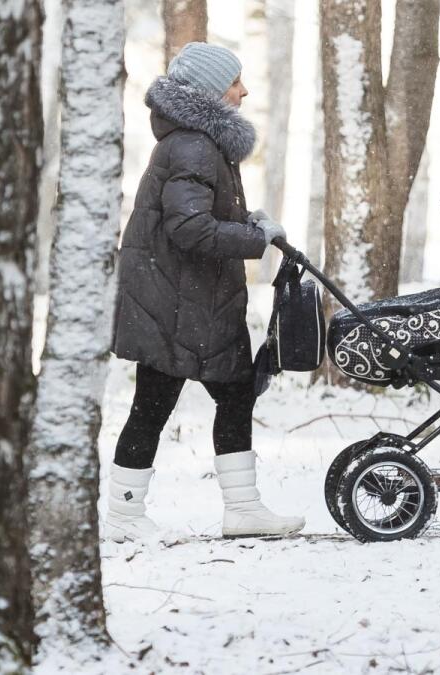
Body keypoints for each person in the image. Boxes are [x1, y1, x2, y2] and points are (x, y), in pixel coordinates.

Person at [109, 42, 304, 542]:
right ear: (212, 92)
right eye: (235, 81)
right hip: (174, 301)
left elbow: (199, 215)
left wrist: (249, 221)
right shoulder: (194, 144)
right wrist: (255, 239)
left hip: (191, 298)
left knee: (231, 393)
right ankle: (125, 517)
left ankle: (243, 510)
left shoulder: (197, 142)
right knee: (156, 404)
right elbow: (190, 228)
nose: (244, 90)